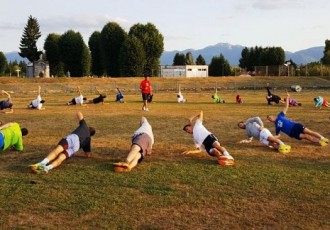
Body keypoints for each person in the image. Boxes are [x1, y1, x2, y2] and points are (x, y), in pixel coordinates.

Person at [29, 112, 96, 174]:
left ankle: (42, 163)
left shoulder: (84, 126)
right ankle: (47, 168)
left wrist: (80, 116)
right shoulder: (88, 139)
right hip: (76, 147)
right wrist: (76, 154)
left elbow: (79, 113)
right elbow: (88, 155)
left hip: (73, 138)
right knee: (61, 158)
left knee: (57, 150)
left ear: (88, 128)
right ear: (91, 135)